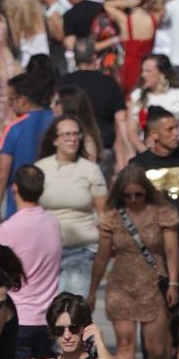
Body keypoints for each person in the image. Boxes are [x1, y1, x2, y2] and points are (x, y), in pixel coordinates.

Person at [90, 161, 179, 359]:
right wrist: (93, 290)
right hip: (121, 283)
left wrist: (173, 283)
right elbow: (103, 256)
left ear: (146, 191)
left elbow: (172, 252)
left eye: (138, 194)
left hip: (153, 282)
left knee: (157, 347)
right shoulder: (113, 216)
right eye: (127, 195)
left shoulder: (163, 213)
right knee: (125, 344)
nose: (133, 199)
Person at [35, 113, 110, 299]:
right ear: (55, 140)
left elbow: (105, 214)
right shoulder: (41, 169)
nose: (72, 139)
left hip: (82, 249)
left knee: (73, 304)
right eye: (66, 135)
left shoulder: (90, 170)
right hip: (48, 250)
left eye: (76, 134)